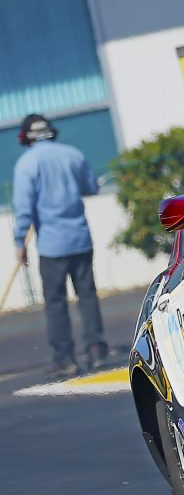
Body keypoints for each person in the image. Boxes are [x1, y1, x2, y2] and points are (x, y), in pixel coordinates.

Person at [13, 114, 107, 377]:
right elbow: (90, 187)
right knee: (87, 296)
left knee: (56, 303)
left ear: (25, 137)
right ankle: (96, 349)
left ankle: (65, 358)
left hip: (52, 246)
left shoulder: (26, 164)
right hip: (80, 238)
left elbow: (23, 208)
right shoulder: (73, 155)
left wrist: (19, 241)